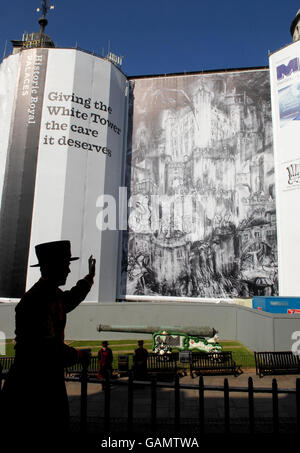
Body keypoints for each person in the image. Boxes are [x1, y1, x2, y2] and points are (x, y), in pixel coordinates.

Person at [0, 240, 95, 444]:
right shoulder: (35, 301)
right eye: (65, 264)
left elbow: (70, 299)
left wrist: (89, 278)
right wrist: (78, 355)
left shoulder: (50, 295)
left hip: (44, 383)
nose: (69, 270)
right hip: (33, 390)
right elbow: (48, 348)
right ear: (52, 267)